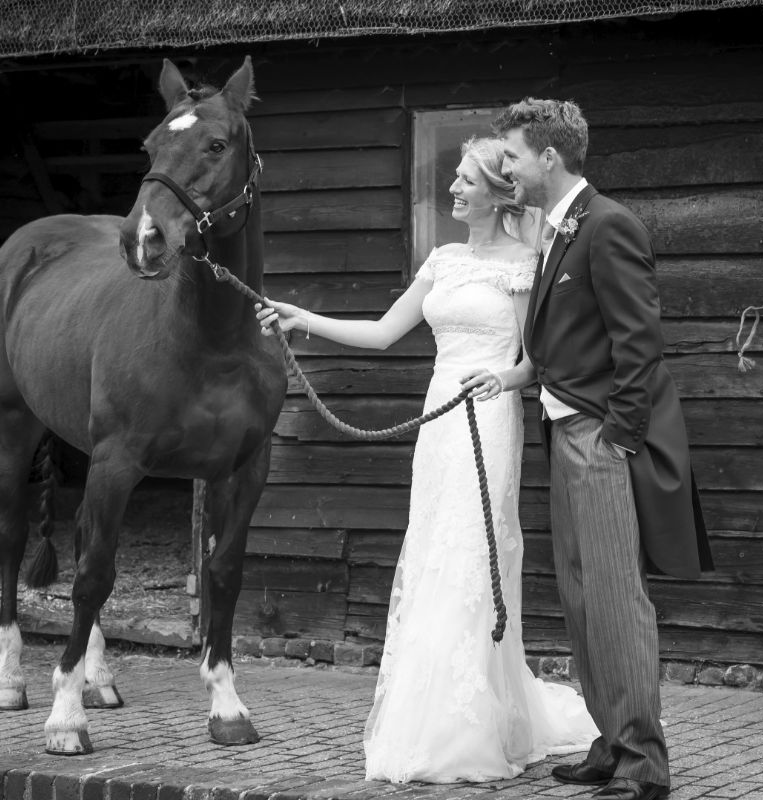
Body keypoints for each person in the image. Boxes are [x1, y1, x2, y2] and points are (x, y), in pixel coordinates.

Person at [254, 137, 598, 783]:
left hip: (486, 416)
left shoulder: (525, 264)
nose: (453, 190)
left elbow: (534, 361)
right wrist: (304, 319)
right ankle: (428, 713)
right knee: (434, 547)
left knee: (470, 553)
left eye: (466, 181)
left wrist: (503, 378)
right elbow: (384, 332)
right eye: (454, 179)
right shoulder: (442, 260)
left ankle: (466, 726)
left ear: (498, 193)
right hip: (437, 422)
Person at [488, 99, 715, 800]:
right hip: (565, 434)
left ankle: (644, 761)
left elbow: (639, 344)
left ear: (549, 156)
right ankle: (610, 740)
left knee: (616, 601)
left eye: (513, 156)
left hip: (599, 439)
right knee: (582, 599)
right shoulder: (560, 228)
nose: (506, 168)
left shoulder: (608, 223)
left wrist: (618, 437)